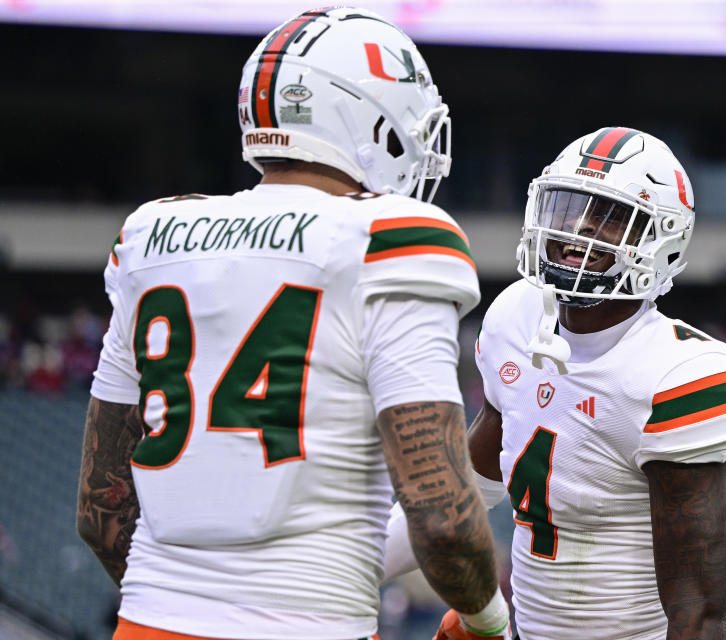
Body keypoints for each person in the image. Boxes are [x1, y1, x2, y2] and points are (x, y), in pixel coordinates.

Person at [76, 7, 509, 639]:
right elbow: (442, 517)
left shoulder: (150, 234)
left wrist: (193, 604)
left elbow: (102, 511)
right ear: (367, 117)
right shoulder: (392, 237)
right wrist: (487, 621)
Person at [383, 127, 726, 639]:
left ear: (659, 238)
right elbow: (467, 491)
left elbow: (697, 613)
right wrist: (355, 573)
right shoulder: (515, 315)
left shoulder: (677, 372)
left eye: (607, 216)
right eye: (568, 207)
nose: (578, 227)